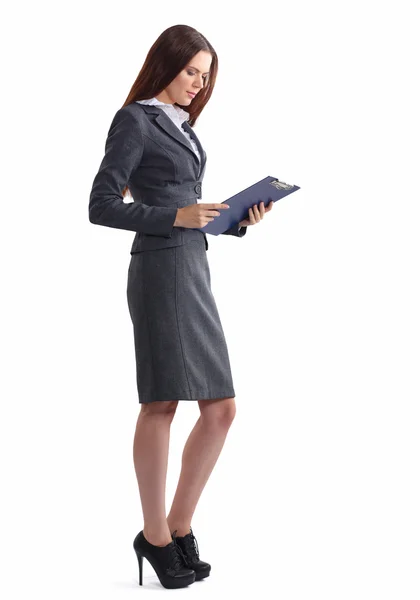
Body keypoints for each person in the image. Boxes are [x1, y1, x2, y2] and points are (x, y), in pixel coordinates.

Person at [88, 24, 273, 590]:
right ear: (166, 64)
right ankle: (156, 535)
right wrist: (174, 217)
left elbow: (186, 205)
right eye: (192, 70)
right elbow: (99, 204)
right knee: (163, 403)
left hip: (193, 268)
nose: (199, 82)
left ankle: (177, 526)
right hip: (159, 270)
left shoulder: (184, 128)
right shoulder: (135, 120)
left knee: (221, 408)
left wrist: (234, 221)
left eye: (206, 74)